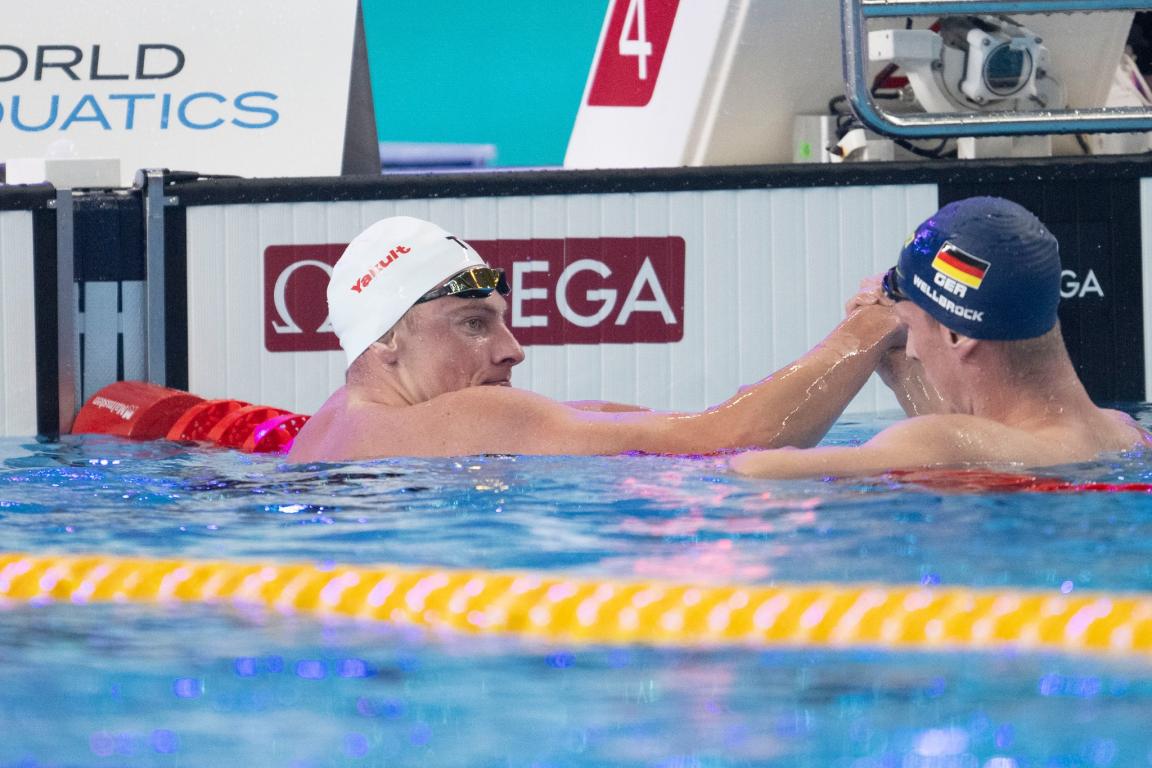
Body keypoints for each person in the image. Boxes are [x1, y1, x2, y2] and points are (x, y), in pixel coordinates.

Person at [287, 215, 903, 461]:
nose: (512, 349)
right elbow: (733, 439)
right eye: (474, 323)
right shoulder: (469, 416)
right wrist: (870, 328)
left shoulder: (328, 429)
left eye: (502, 319)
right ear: (387, 337)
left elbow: (609, 420)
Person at [731, 196, 1151, 480]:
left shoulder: (941, 442)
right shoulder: (1127, 435)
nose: (912, 350)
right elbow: (987, 438)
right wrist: (894, 364)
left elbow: (753, 471)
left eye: (912, 330)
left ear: (955, 333)